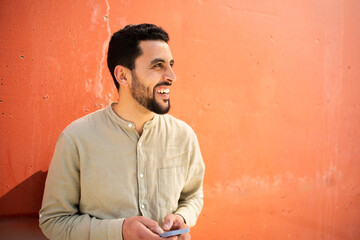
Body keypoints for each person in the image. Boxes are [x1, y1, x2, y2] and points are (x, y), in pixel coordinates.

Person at [39, 23, 205, 240]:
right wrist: (120, 231)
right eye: (158, 65)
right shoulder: (77, 139)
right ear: (123, 76)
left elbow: (193, 196)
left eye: (171, 65)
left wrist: (182, 218)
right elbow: (54, 222)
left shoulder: (184, 136)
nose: (172, 76)